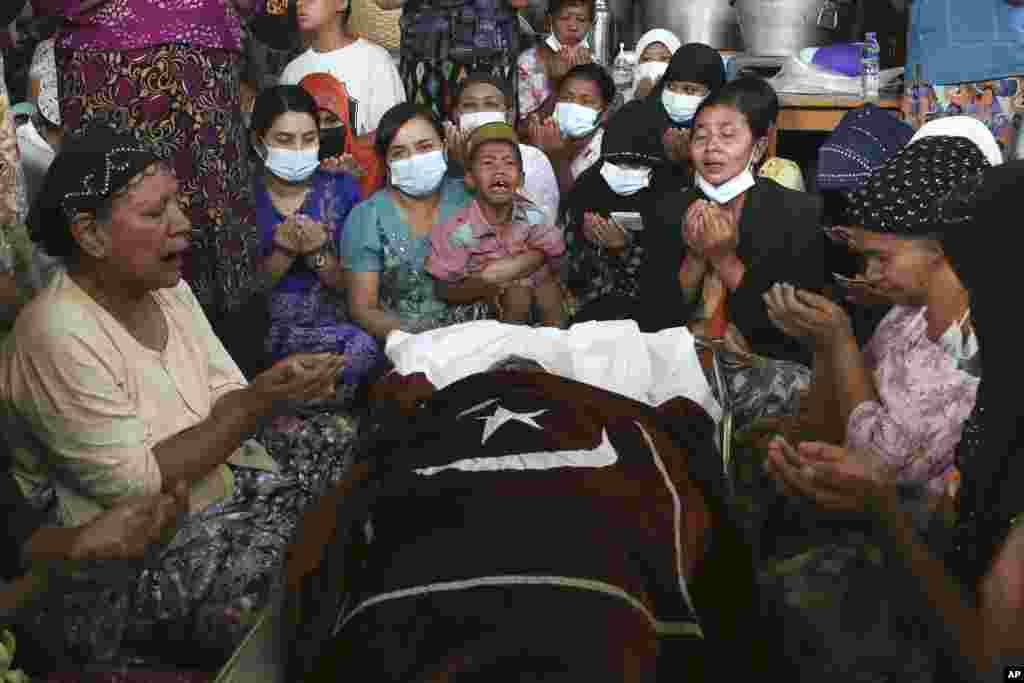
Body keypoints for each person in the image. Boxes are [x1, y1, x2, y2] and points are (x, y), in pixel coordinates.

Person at [0, 127, 353, 668]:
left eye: (178, 205)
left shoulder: (170, 289)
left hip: (216, 481)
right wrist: (257, 404)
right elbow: (133, 484)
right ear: (90, 234)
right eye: (154, 213)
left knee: (344, 439)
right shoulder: (55, 331)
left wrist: (258, 399)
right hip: (132, 550)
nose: (183, 225)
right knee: (287, 560)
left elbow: (227, 390)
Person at [763, 160, 1024, 683]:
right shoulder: (997, 391)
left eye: (963, 280)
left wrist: (886, 511)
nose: (936, 309)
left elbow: (996, 667)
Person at [762, 134, 989, 496]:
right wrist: (824, 346)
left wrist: (838, 341)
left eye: (882, 258)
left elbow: (881, 469)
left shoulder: (978, 346)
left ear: (942, 249)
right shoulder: (907, 315)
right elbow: (834, 418)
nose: (869, 274)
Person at [53, 0, 273, 344]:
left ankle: (225, 371)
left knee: (210, 230)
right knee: (118, 209)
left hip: (200, 56)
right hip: (108, 56)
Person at [341, 104, 546, 341]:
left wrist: (505, 274)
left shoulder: (475, 193)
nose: (414, 160)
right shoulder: (366, 217)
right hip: (409, 344)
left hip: (489, 335)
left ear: (444, 148)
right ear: (385, 162)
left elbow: (538, 232)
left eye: (425, 147)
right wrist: (425, 342)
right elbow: (363, 310)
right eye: (399, 153)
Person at [252, 85, 381, 401]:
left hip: (334, 329)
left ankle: (310, 391)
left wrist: (317, 253)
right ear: (259, 143)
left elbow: (354, 286)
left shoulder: (341, 189)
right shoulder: (240, 197)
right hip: (265, 330)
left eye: (308, 139)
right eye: (284, 140)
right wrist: (281, 255)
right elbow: (238, 295)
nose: (298, 149)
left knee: (364, 348)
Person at [561, 100, 689, 324]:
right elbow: (572, 273)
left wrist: (626, 250)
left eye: (636, 165)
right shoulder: (587, 187)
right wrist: (591, 245)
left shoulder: (672, 194)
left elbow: (672, 281)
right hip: (592, 315)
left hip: (653, 317)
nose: (624, 171)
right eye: (616, 162)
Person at [426, 122, 565, 327]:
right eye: (488, 163)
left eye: (509, 163)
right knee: (517, 296)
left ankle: (553, 352)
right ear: (471, 179)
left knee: (548, 292)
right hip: (478, 310)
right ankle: (508, 356)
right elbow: (443, 289)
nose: (499, 170)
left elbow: (559, 261)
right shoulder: (457, 230)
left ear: (521, 179)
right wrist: (487, 285)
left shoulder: (533, 216)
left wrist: (529, 267)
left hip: (532, 302)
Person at [446, 72, 559, 224]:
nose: (480, 112)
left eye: (490, 105)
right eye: (469, 106)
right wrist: (457, 168)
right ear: (456, 115)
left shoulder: (533, 159)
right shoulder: (441, 157)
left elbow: (543, 222)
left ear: (509, 114)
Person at [280, 0, 405, 137]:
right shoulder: (292, 71)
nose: (299, 3)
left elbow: (390, 136)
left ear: (342, 2)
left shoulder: (375, 61)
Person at [605, 42, 725, 174]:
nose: (677, 96)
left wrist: (690, 163)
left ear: (713, 93)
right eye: (671, 87)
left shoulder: (725, 135)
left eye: (689, 90)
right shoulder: (640, 119)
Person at [526, 62, 614, 195]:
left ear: (604, 112)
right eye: (566, 98)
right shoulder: (547, 136)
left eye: (586, 101)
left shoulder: (607, 152)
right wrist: (536, 154)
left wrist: (556, 159)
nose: (573, 106)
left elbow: (577, 209)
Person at [299, 71, 385, 199]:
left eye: (331, 120)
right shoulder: (285, 168)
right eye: (314, 121)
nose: (322, 129)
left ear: (345, 119)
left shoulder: (373, 165)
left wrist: (349, 183)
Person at [517, 0, 593, 128]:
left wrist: (586, 75)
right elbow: (524, 128)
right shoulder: (529, 63)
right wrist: (557, 86)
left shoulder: (593, 63)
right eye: (564, 19)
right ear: (549, 21)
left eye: (581, 20)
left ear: (590, 25)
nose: (573, 27)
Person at [630, 28, 682, 102]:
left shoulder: (688, 100)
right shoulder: (624, 101)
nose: (653, 64)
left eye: (664, 58)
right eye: (646, 59)